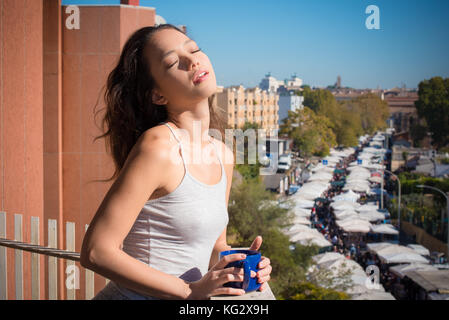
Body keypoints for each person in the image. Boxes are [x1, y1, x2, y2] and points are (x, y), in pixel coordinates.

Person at [80, 25, 272, 300]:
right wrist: (188, 290)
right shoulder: (157, 146)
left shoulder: (222, 154)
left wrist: (242, 265)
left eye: (194, 49)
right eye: (173, 62)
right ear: (158, 95)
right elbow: (96, 251)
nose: (192, 60)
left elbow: (215, 246)